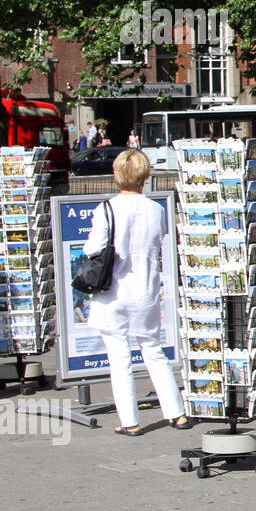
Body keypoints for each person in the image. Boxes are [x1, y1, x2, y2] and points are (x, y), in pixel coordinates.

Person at [82, 149, 188, 435]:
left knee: (119, 357)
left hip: (113, 291)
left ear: (117, 175)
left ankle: (130, 420)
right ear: (146, 176)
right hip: (146, 290)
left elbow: (92, 249)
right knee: (153, 350)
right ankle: (176, 412)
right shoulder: (157, 210)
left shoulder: (107, 209)